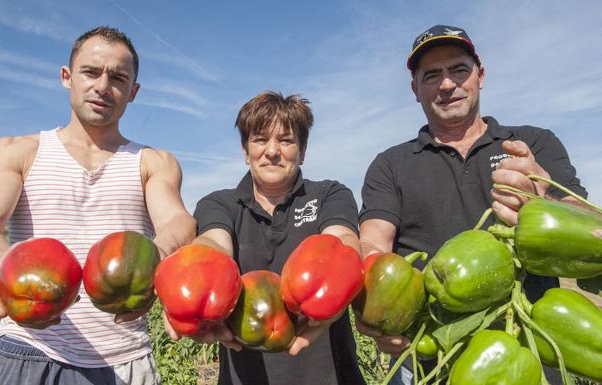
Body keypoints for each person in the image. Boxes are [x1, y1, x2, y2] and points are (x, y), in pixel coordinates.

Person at [356, 25, 587, 384]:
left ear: (480, 76)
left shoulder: (532, 143)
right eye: (431, 75)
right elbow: (373, 242)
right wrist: (375, 307)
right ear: (415, 89)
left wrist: (544, 199)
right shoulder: (391, 164)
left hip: (524, 349)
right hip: (426, 351)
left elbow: (590, 225)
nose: (447, 84)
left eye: (458, 70)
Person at [0, 26, 196, 385]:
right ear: (67, 77)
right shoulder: (17, 152)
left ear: (133, 92)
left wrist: (157, 253)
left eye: (118, 77)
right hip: (30, 350)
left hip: (125, 360)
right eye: (91, 72)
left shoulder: (152, 162)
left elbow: (177, 219)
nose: (102, 86)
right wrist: (2, 261)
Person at [164, 91, 366, 384]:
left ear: (303, 151)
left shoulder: (328, 195)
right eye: (260, 140)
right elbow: (214, 244)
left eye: (286, 140)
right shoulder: (220, 203)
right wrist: (189, 292)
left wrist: (335, 295)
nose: (272, 151)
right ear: (246, 152)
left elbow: (342, 239)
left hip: (329, 375)